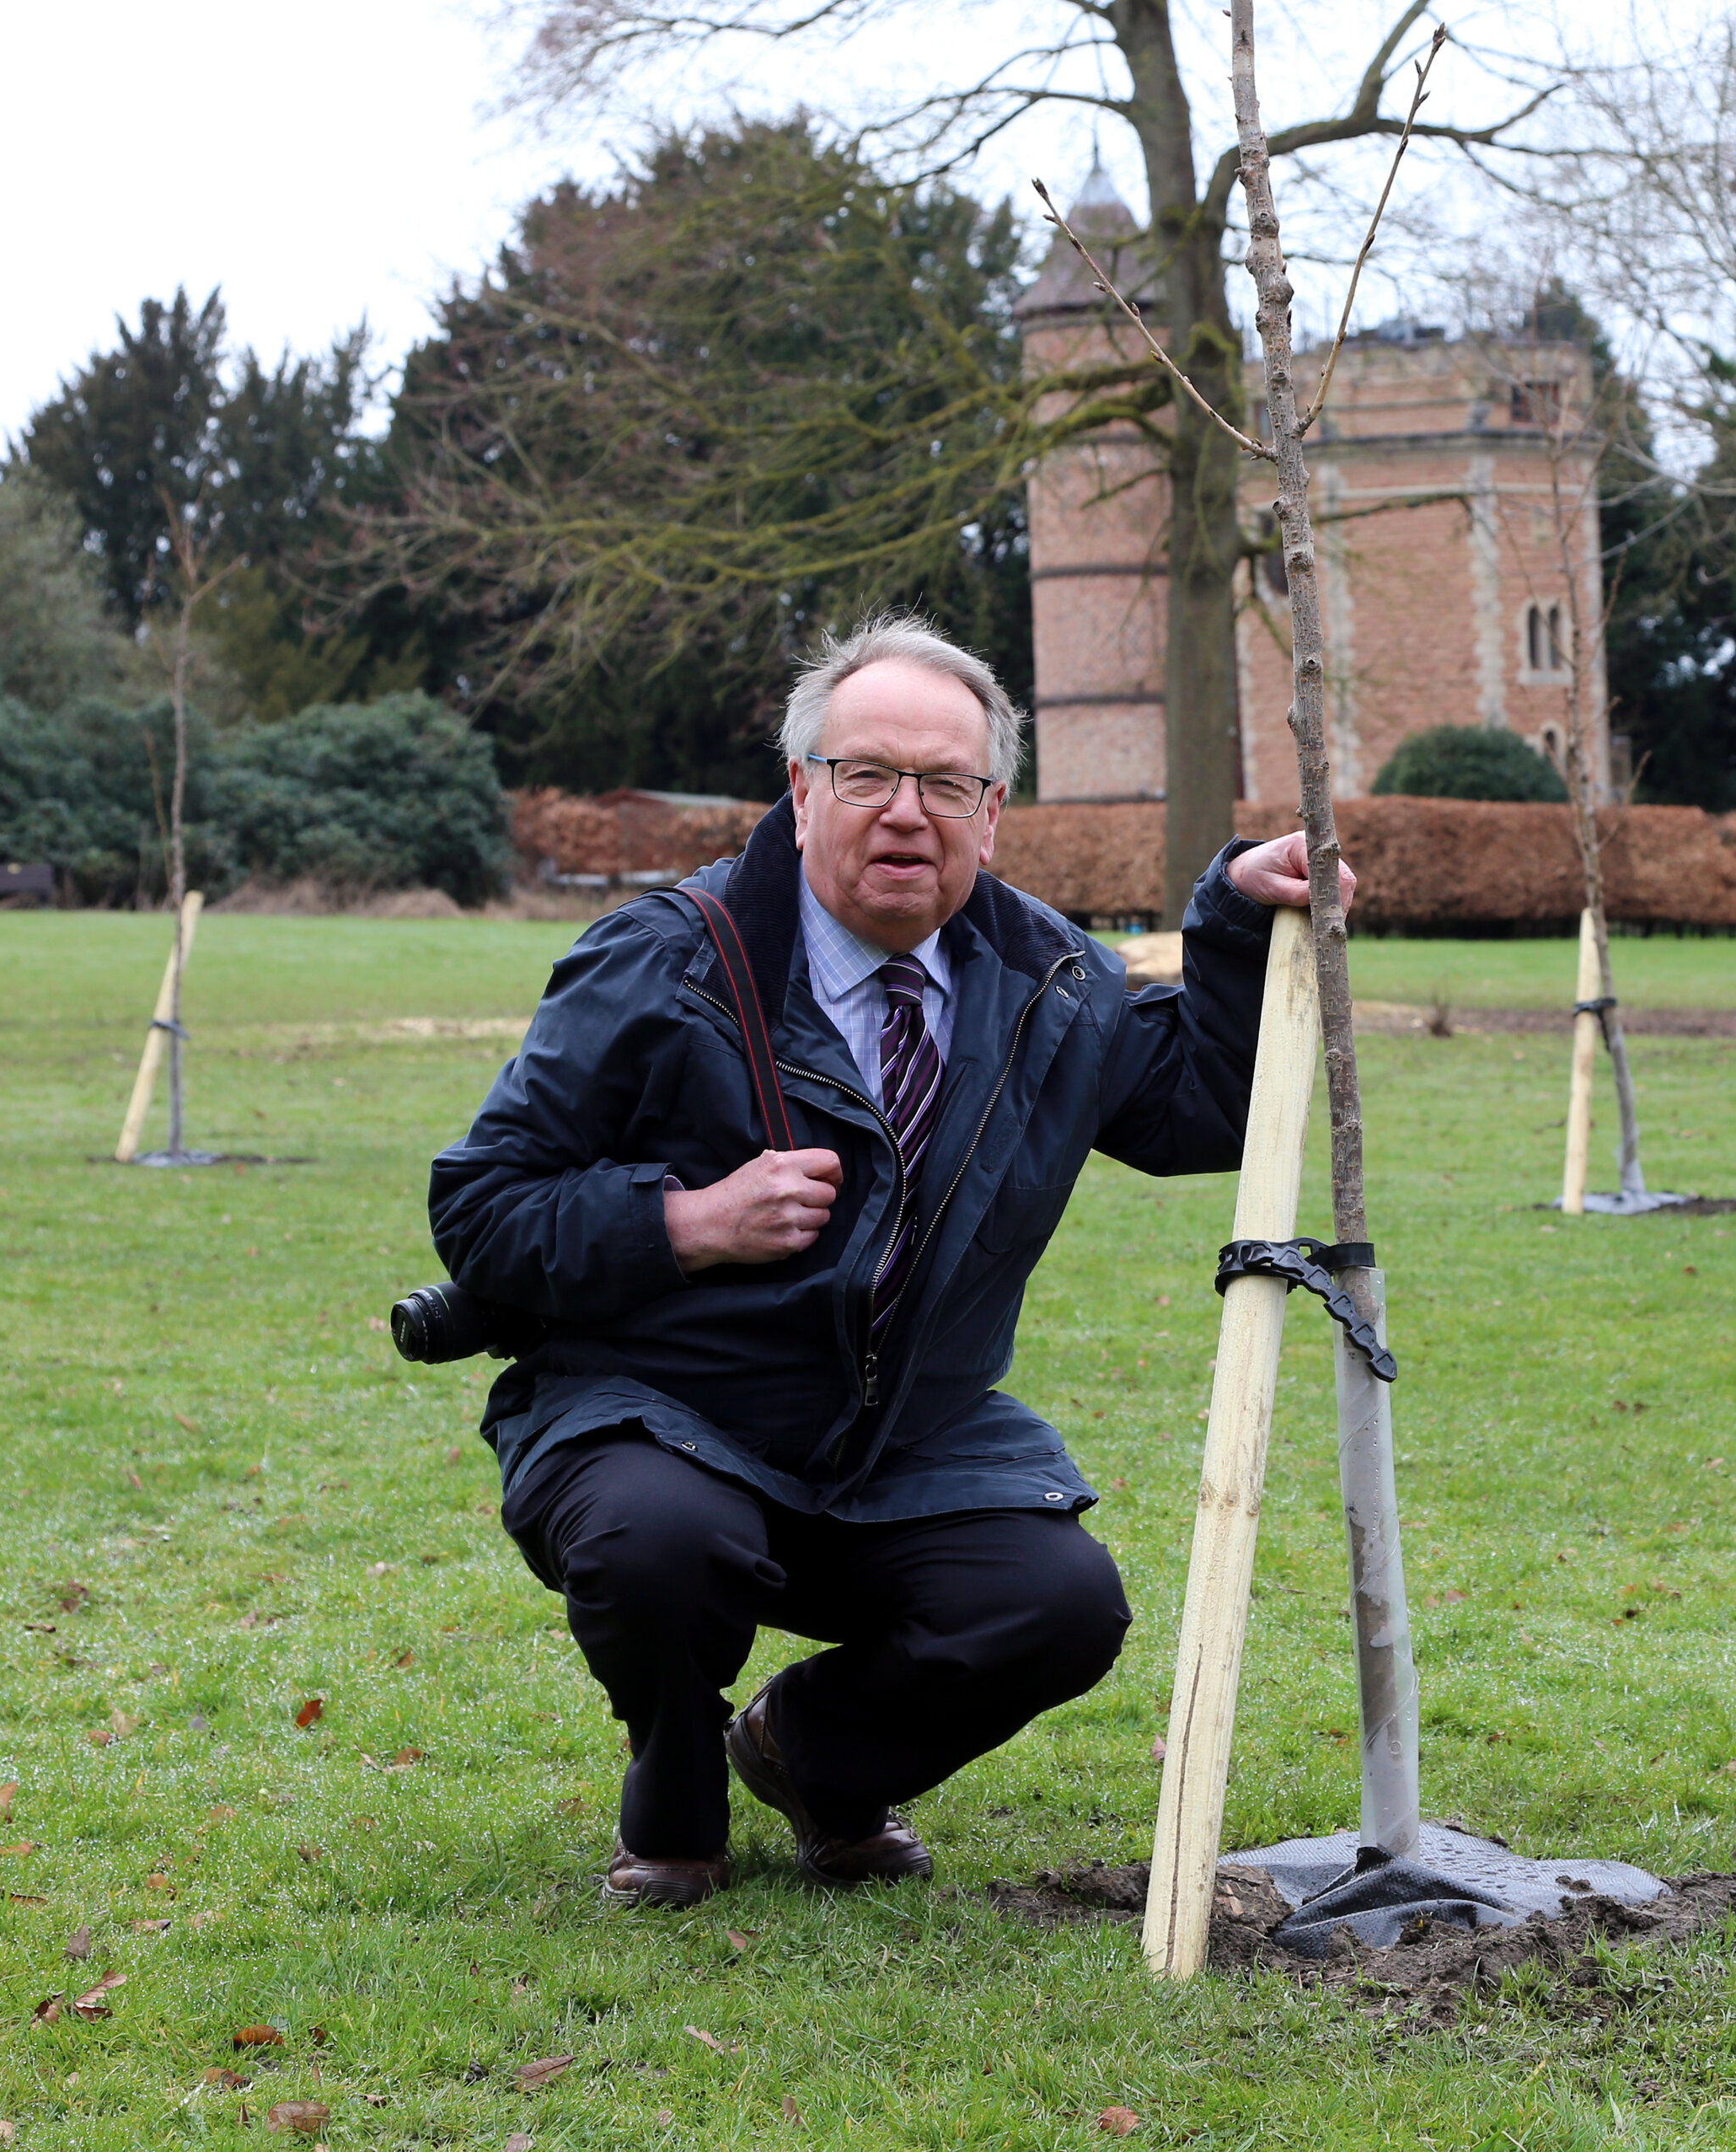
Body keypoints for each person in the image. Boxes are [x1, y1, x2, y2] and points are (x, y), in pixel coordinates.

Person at [428, 614, 1349, 1907]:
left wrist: (1236, 919)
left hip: (897, 1442)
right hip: (657, 1415)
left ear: (994, 813)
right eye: (867, 775)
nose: (904, 812)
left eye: (944, 783)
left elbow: (1201, 1107)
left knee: (1063, 1600)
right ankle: (674, 1796)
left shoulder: (1049, 984)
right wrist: (686, 1221)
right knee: (661, 1539)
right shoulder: (664, 960)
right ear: (802, 793)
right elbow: (478, 1206)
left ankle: (813, 1757)